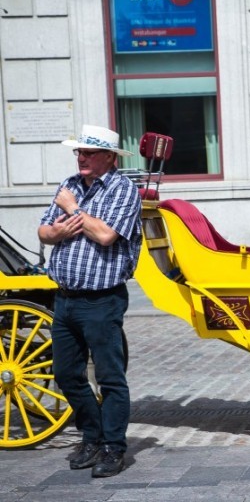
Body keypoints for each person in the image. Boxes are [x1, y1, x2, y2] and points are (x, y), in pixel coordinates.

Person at [38, 125, 142, 478]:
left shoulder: (123, 190)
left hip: (102, 300)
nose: (81, 158)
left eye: (88, 153)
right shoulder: (69, 183)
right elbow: (44, 231)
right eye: (78, 152)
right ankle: (92, 436)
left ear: (109, 158)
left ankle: (113, 447)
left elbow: (106, 235)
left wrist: (72, 210)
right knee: (66, 373)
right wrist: (60, 230)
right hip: (65, 299)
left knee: (110, 377)